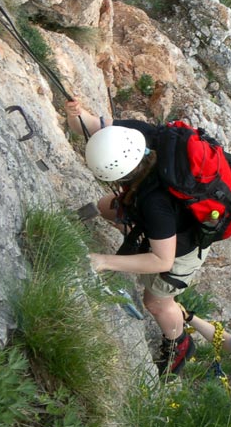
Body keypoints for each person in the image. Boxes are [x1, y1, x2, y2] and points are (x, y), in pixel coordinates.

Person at [64, 98, 212, 376]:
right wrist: (77, 114)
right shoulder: (136, 136)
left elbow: (162, 260)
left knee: (156, 302)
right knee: (109, 206)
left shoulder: (155, 203)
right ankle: (78, 215)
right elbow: (91, 126)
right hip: (162, 222)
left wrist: (103, 261)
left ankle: (179, 343)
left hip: (181, 248)